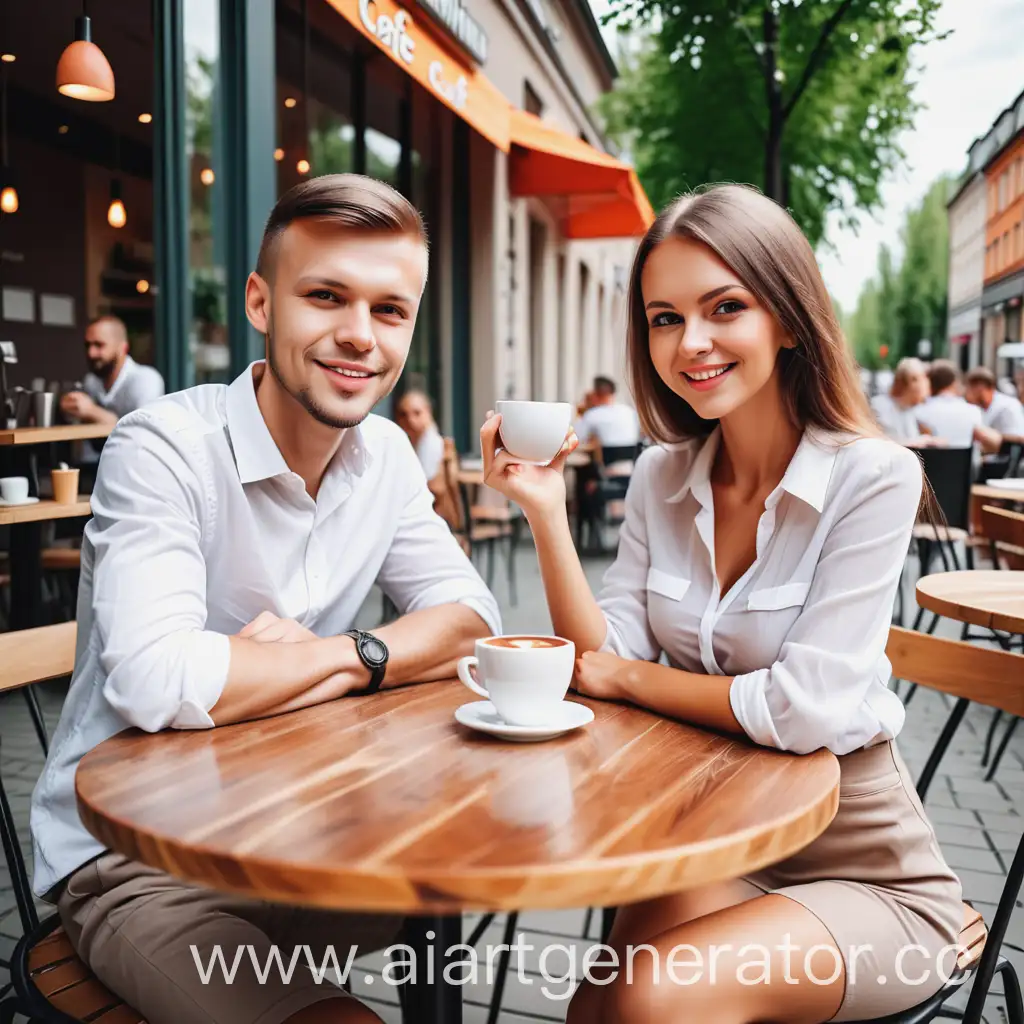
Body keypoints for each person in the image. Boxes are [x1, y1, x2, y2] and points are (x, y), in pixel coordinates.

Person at [481, 184, 963, 1024]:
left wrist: (630, 683)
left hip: (868, 872)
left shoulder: (873, 476)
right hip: (722, 833)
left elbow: (800, 708)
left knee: (648, 997)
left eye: (724, 307)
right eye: (664, 317)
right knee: (597, 1005)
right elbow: (600, 649)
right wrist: (546, 512)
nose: (690, 342)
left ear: (786, 315)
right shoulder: (664, 477)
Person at [30, 174, 501, 1024]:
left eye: (390, 310)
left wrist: (353, 657)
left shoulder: (386, 456)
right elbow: (152, 677)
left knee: (470, 881)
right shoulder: (165, 446)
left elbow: (474, 621)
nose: (358, 336)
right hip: (140, 861)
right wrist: (356, 660)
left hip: (309, 830)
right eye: (326, 296)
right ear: (259, 300)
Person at [60, 315, 165, 427]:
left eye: (99, 345)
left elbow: (143, 430)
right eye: (87, 345)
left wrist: (92, 411)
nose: (91, 353)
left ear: (123, 348)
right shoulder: (91, 381)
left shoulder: (145, 379)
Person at [916, 359, 1001, 452]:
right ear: (954, 383)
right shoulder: (972, 411)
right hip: (963, 465)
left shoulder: (918, 411)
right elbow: (994, 443)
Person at [869, 356, 932, 444]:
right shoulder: (880, 407)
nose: (927, 386)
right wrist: (920, 441)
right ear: (912, 382)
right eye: (924, 379)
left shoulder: (909, 410)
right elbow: (885, 443)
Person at [573, 375, 641, 450]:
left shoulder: (593, 414)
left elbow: (576, 437)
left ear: (595, 394)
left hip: (607, 459)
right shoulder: (629, 411)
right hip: (632, 457)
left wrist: (583, 410)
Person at [394, 387, 445, 480]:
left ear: (428, 412)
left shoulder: (435, 445)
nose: (410, 420)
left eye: (417, 413)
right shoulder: (398, 442)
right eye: (403, 414)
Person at [965, 365, 1024, 438]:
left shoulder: (1007, 406)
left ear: (980, 387)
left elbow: (1018, 437)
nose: (966, 393)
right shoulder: (977, 408)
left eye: (969, 388)